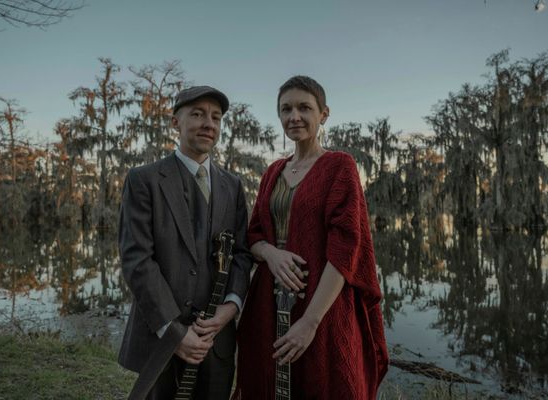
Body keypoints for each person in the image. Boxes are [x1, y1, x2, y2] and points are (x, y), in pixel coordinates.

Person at [233, 76, 389, 400]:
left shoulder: (339, 166)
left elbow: (346, 248)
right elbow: (254, 235)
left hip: (323, 303)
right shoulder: (273, 172)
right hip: (268, 301)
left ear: (324, 114)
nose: (294, 117)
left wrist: (310, 322)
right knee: (268, 382)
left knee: (324, 383)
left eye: (304, 108)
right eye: (286, 109)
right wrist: (272, 255)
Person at [118, 86, 252, 400]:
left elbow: (242, 254)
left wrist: (230, 307)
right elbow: (137, 259)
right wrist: (175, 333)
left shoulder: (232, 186)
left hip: (215, 341)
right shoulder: (144, 180)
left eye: (216, 117)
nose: (209, 123)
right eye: (198, 114)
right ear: (175, 122)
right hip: (160, 339)